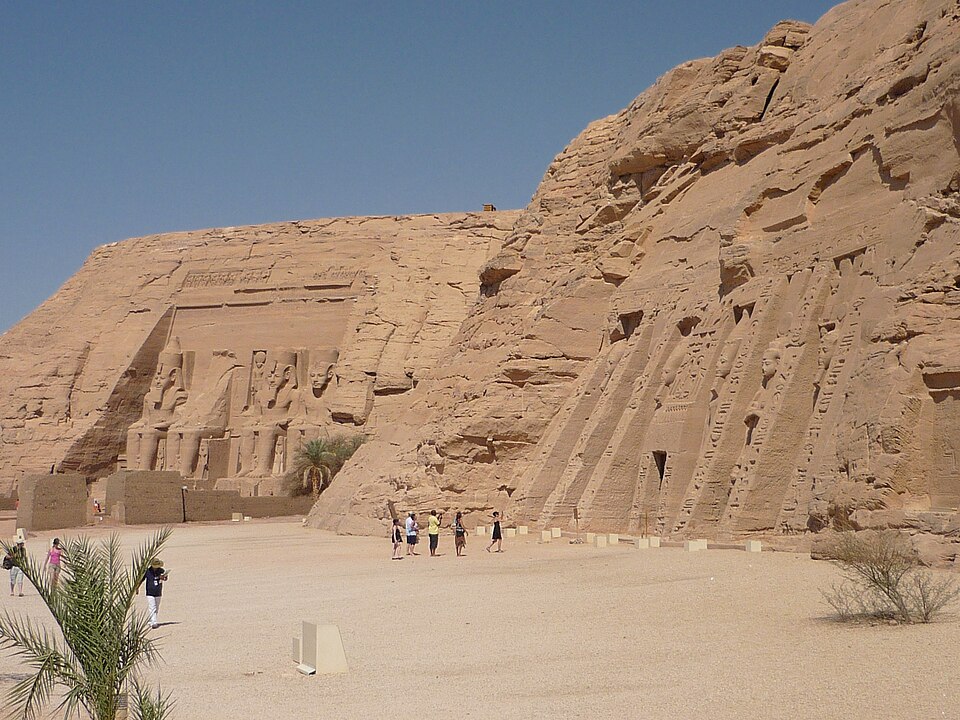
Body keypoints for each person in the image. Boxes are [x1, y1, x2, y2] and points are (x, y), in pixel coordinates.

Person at [144, 558, 168, 629]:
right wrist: (137, 588)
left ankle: (152, 620)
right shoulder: (147, 571)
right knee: (152, 607)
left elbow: (165, 578)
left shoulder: (161, 570)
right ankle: (154, 623)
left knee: (156, 607)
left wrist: (163, 577)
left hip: (158, 591)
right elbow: (141, 579)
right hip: (150, 592)